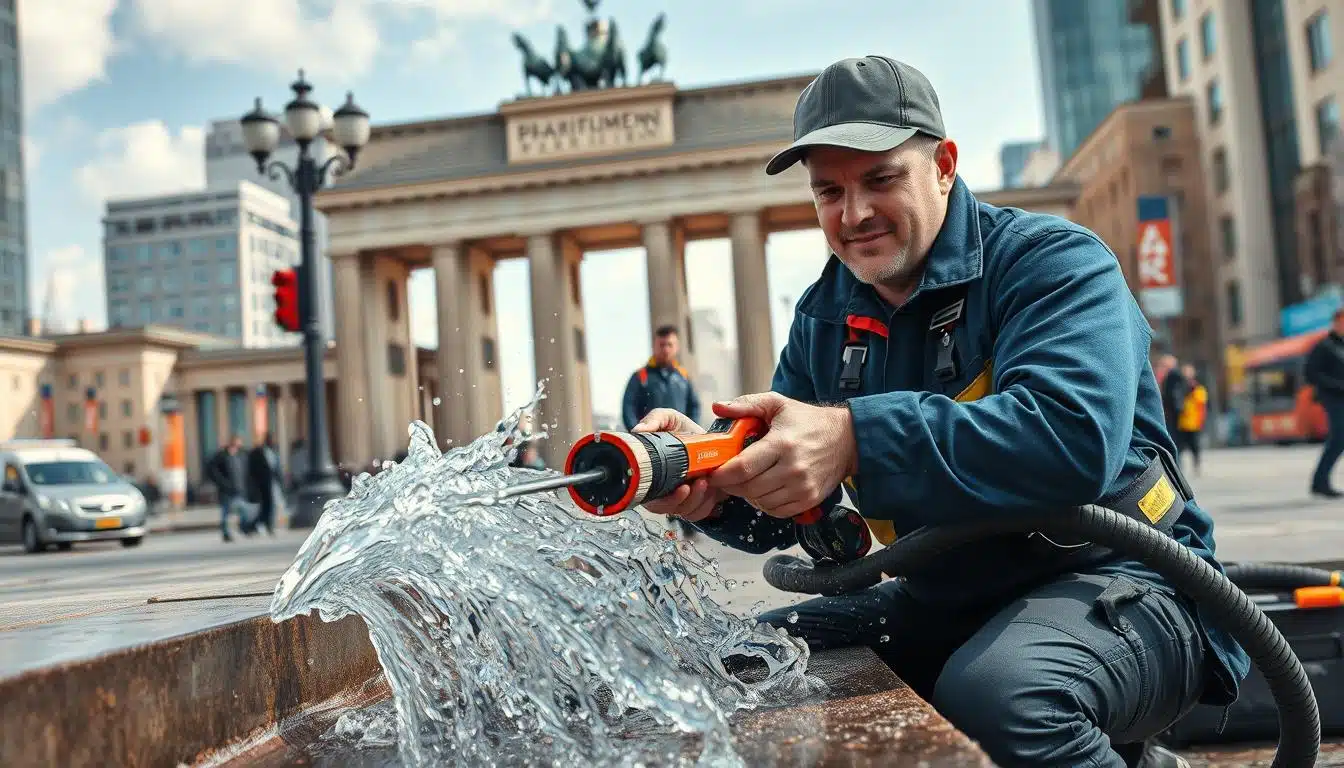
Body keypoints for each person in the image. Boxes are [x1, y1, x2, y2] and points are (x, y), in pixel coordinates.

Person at [634, 56, 1246, 768]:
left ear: (945, 164)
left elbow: (1072, 441)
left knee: (1006, 699)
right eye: (828, 191)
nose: (853, 213)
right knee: (737, 663)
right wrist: (708, 484)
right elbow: (790, 501)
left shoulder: (1053, 263)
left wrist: (854, 437)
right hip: (951, 594)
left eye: (880, 179)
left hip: (1126, 579)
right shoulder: (826, 315)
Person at [621, 325, 702, 431]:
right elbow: (628, 408)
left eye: (670, 345)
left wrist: (691, 432)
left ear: (677, 347)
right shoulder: (640, 376)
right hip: (649, 441)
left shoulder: (684, 377)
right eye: (662, 345)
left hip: (680, 440)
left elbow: (694, 407)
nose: (666, 349)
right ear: (654, 346)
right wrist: (637, 433)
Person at [1304, 308, 1344, 498]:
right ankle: (1320, 482)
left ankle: (1320, 481)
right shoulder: (1324, 346)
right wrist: (1337, 385)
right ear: (1335, 322)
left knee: (1339, 441)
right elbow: (1311, 374)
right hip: (1333, 398)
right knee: (1338, 439)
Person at [205, 435, 253, 542]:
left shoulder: (241, 455)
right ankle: (225, 533)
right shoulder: (222, 455)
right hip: (226, 489)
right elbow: (212, 470)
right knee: (225, 512)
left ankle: (244, 528)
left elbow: (246, 471)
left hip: (239, 488)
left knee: (243, 510)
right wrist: (222, 483)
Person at [246, 432, 283, 535]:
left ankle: (267, 525)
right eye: (270, 439)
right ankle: (253, 526)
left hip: (273, 484)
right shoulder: (257, 452)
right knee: (266, 507)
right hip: (262, 485)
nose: (272, 441)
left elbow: (276, 468)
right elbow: (252, 470)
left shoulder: (274, 451)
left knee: (272, 505)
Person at [1174, 364, 1208, 475]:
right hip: (1182, 422)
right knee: (1180, 446)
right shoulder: (1179, 387)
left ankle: (1197, 464)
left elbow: (1201, 405)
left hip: (1194, 422)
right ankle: (1179, 466)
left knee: (1195, 446)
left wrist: (1201, 421)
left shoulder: (1198, 388)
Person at [1158, 353, 1189, 450]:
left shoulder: (1174, 374)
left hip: (1174, 408)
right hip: (1173, 407)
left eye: (1164, 364)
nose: (1162, 367)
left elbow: (1176, 391)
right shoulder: (1170, 375)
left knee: (1175, 433)